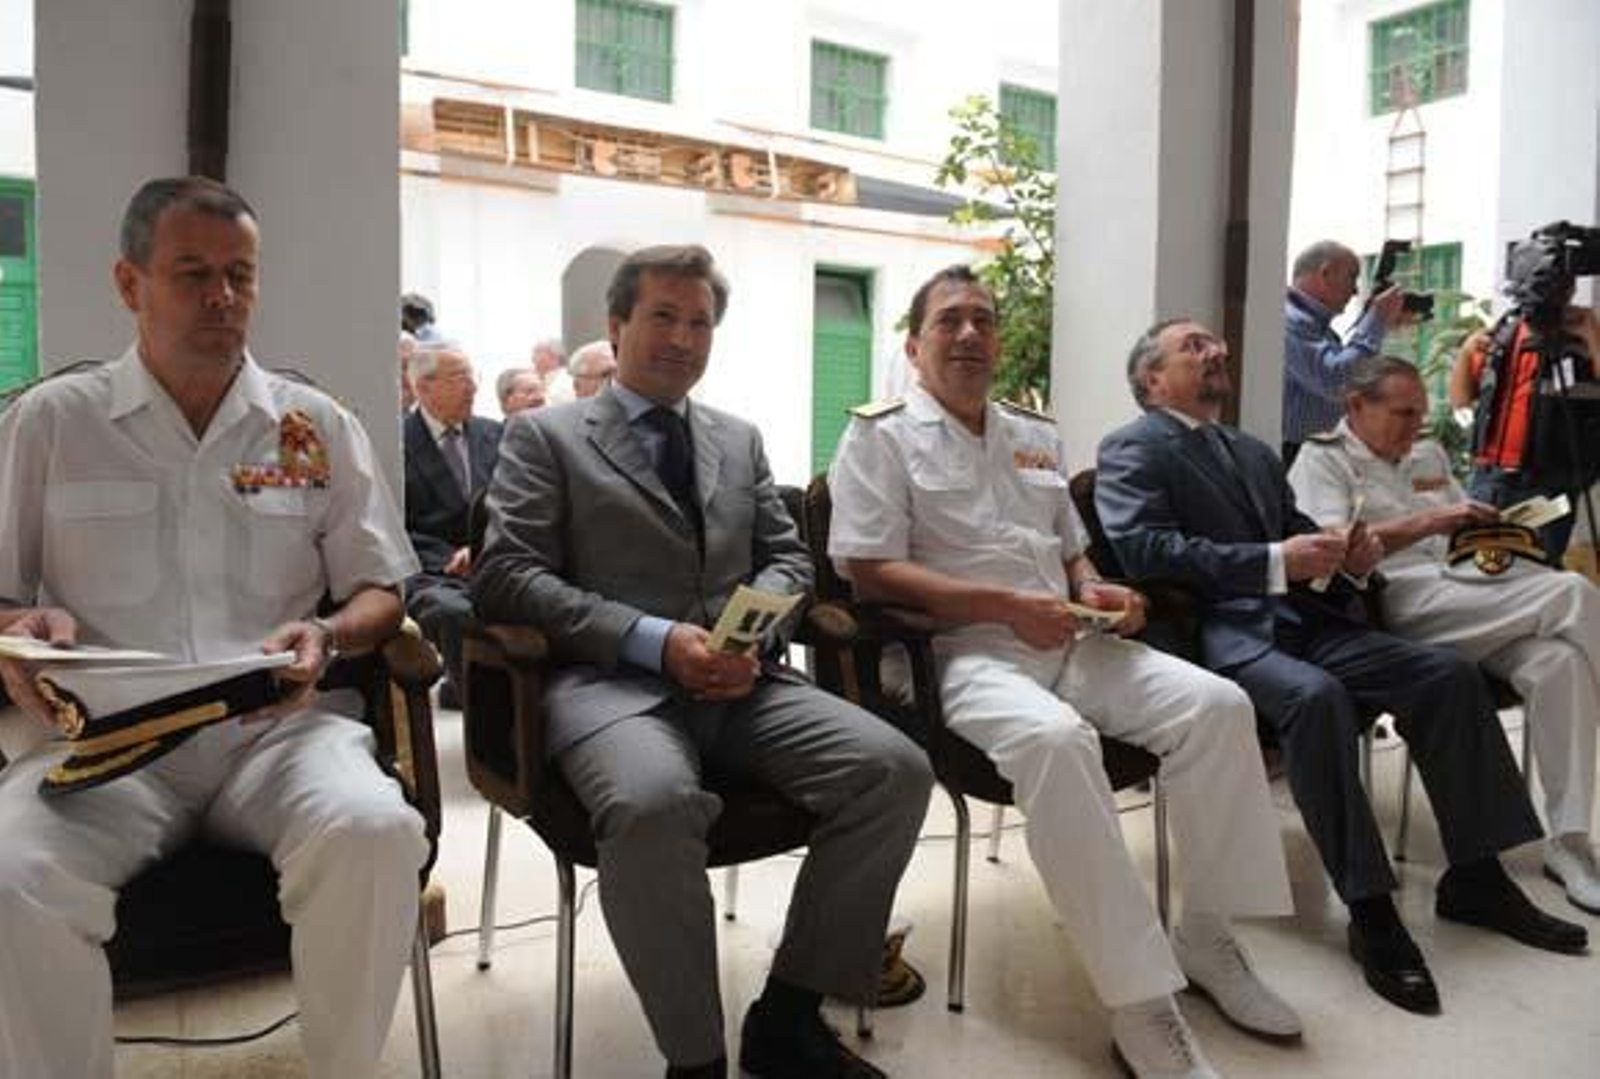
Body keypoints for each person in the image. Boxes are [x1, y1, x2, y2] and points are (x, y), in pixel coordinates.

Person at [0, 176, 427, 1079]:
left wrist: (332, 637)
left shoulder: (311, 425)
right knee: (8, 875)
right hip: (106, 747)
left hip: (273, 734)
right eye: (192, 272)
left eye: (240, 273)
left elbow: (379, 585)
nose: (222, 296)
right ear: (129, 282)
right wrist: (19, 629)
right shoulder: (53, 423)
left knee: (374, 831)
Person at [472, 245, 932, 1079]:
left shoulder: (737, 437)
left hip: (743, 680)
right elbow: (507, 576)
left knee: (895, 768)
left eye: (700, 321)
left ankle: (789, 1013)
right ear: (616, 326)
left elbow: (791, 559)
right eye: (663, 317)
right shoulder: (546, 437)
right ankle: (697, 1057)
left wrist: (750, 626)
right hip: (614, 686)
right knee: (653, 803)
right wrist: (652, 637)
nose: (684, 338)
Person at [828, 267, 1299, 1079]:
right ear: (913, 345)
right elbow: (869, 572)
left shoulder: (1032, 431)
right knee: (1057, 740)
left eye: (983, 319)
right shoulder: (879, 435)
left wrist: (1099, 591)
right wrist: (1004, 605)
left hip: (1070, 639)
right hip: (958, 655)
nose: (970, 333)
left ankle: (1208, 936)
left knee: (1218, 705)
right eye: (950, 322)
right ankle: (1141, 1003)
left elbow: (1070, 547)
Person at [1096, 317, 1586, 1018]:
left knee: (1444, 676)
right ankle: (1371, 910)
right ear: (1152, 378)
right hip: (1228, 635)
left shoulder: (1254, 451)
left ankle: (1476, 877)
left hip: (1310, 618)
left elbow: (1302, 532)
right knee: (1317, 698)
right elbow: (1146, 550)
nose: (1218, 352)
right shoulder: (1131, 447)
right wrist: (1274, 563)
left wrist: (1346, 555)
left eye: (1218, 344)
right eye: (1194, 347)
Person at [1289, 353, 1600, 913]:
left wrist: (1491, 530)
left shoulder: (1428, 452)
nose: (1414, 427)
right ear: (1356, 406)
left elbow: (1459, 524)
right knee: (1573, 593)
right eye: (1402, 413)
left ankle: (1571, 843)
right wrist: (1429, 521)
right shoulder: (1322, 460)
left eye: (1420, 414)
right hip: (1400, 604)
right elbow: (1332, 548)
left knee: (1562, 666)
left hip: (1471, 591)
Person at [1449, 241, 1600, 561]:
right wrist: (1466, 351)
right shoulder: (1500, 335)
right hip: (1490, 478)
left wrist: (1590, 335)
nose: (1562, 293)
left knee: (1535, 567)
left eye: (1566, 283)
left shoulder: (1586, 335)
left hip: (1551, 483)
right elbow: (1462, 399)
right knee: (1477, 563)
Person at [404, 343, 502, 705]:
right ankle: (481, 711)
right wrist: (451, 557)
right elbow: (394, 525)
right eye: (460, 378)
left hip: (493, 555)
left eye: (472, 377)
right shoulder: (396, 441)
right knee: (452, 611)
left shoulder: (495, 434)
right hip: (431, 567)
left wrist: (483, 548)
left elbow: (514, 505)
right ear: (423, 386)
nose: (473, 387)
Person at [1282, 240, 1406, 464]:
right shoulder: (1291, 320)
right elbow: (1336, 381)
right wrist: (1375, 321)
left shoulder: (1315, 327)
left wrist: (1377, 326)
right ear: (1325, 273)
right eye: (1352, 277)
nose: (1356, 290)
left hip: (1314, 453)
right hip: (1295, 456)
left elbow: (1353, 381)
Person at [532, 336, 575, 405]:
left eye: (537, 352)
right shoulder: (542, 382)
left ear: (554, 356)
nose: (533, 358)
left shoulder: (565, 384)